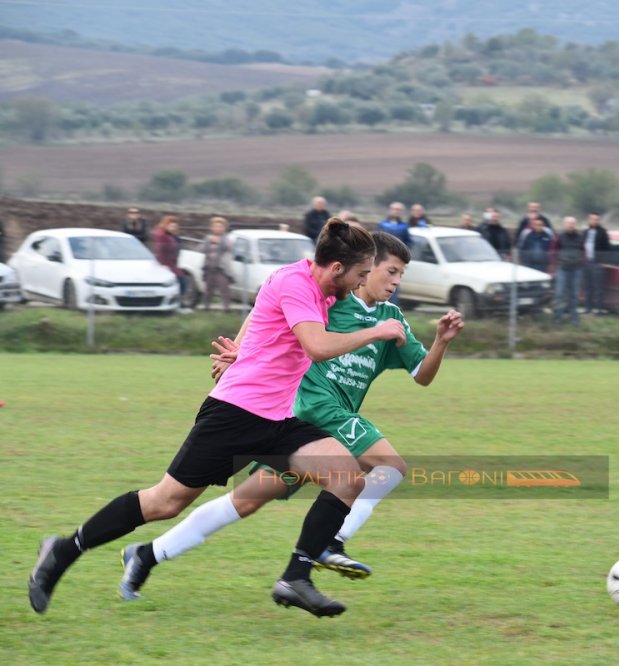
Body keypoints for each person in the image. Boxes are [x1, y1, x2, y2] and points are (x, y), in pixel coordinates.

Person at [28, 220, 409, 618]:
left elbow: (263, 311)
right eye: (360, 274)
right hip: (234, 415)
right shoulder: (297, 283)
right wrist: (377, 332)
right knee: (164, 502)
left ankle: (295, 578)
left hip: (278, 419)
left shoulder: (318, 288)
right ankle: (63, 549)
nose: (361, 283)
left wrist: (242, 348)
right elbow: (316, 346)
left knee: (346, 475)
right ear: (335, 269)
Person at [117, 232, 464, 599]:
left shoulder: (392, 319)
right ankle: (331, 542)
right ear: (367, 266)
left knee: (247, 500)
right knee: (390, 465)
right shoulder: (330, 298)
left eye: (401, 276)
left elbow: (422, 375)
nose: (396, 282)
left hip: (303, 430)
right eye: (390, 271)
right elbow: (268, 312)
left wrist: (441, 342)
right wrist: (243, 350)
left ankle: (147, 554)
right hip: (313, 408)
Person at [152, 216, 191, 314]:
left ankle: (177, 304)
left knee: (181, 283)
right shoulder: (163, 237)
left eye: (175, 226)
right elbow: (160, 251)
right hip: (166, 264)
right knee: (180, 283)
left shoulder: (172, 236)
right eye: (171, 226)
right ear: (166, 225)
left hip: (173, 263)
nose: (173, 228)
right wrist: (163, 264)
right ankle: (176, 304)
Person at [552, 216, 584, 325]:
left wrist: (581, 263)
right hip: (563, 269)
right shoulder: (559, 237)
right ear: (564, 224)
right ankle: (558, 317)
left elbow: (583, 251)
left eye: (572, 223)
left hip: (576, 269)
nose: (570, 225)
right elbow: (553, 251)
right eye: (568, 223)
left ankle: (574, 317)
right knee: (559, 294)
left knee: (574, 295)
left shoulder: (579, 237)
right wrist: (555, 265)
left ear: (575, 225)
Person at [200, 216, 234, 312]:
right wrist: (209, 242)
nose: (218, 228)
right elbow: (201, 249)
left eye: (220, 226)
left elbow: (229, 247)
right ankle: (206, 308)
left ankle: (226, 309)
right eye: (216, 226)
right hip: (210, 267)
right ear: (212, 227)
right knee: (208, 290)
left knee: (224, 289)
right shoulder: (208, 238)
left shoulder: (226, 238)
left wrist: (219, 242)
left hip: (221, 269)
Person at [582, 213, 611, 314]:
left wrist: (603, 261)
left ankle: (599, 309)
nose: (594, 221)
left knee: (598, 287)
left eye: (596, 219)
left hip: (597, 263)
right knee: (588, 287)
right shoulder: (585, 232)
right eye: (592, 219)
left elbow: (607, 248)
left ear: (599, 221)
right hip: (586, 262)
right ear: (589, 220)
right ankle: (588, 308)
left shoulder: (603, 232)